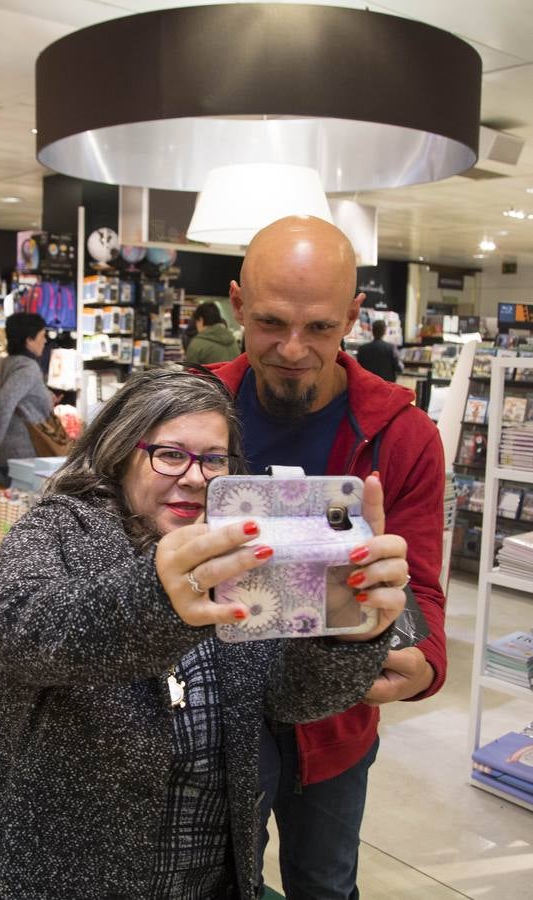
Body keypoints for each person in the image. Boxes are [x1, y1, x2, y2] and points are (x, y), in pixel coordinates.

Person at [0, 367, 408, 899]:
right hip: (43, 871)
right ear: (120, 452)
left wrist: (346, 631)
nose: (195, 477)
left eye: (214, 460)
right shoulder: (62, 526)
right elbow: (19, 627)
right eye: (170, 454)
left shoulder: (236, 551)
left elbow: (288, 698)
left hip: (204, 877)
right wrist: (156, 599)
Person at [214, 215, 446, 899]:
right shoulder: (187, 410)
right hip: (212, 712)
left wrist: (423, 659)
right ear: (236, 306)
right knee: (217, 882)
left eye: (318, 327)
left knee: (322, 883)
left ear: (351, 316)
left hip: (334, 722)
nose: (291, 348)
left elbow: (422, 589)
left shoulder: (401, 436)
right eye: (269, 323)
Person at [0, 312, 55, 485]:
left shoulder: (6, 363)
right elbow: (3, 402)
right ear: (29, 340)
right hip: (20, 454)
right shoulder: (27, 367)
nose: (45, 341)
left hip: (5, 454)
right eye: (42, 335)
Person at [185, 300, 240, 365]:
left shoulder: (197, 344)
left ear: (201, 320)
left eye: (196, 322)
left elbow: (188, 373)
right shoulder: (233, 340)